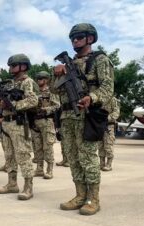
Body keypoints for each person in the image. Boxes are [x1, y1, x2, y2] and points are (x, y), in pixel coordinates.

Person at [52, 23, 114, 215]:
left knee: (88, 158)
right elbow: (55, 90)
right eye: (72, 38)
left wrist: (91, 98)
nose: (75, 41)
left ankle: (93, 199)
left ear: (90, 38)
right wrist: (58, 74)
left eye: (79, 37)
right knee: (73, 157)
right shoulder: (68, 64)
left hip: (86, 115)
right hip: (68, 115)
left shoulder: (100, 60)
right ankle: (80, 195)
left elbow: (107, 88)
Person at [0, 54, 38, 200]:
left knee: (23, 155)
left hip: (19, 123)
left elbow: (33, 101)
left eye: (13, 65)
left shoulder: (27, 82)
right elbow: (2, 103)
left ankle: (28, 186)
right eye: (10, 66)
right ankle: (12, 183)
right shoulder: (9, 84)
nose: (10, 68)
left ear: (23, 66)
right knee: (9, 155)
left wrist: (14, 105)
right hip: (6, 123)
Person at [32, 71, 60, 179]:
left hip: (47, 121)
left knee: (47, 146)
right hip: (35, 121)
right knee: (37, 147)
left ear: (46, 80)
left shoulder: (51, 92)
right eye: (37, 79)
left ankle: (49, 169)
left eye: (41, 79)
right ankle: (39, 169)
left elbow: (57, 105)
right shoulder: (35, 92)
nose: (39, 81)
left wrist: (45, 109)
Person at [98, 97, 120, 171]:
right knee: (100, 145)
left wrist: (106, 118)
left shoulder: (112, 99)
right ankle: (101, 164)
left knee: (108, 144)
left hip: (109, 125)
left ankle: (109, 164)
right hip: (99, 125)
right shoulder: (98, 99)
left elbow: (116, 112)